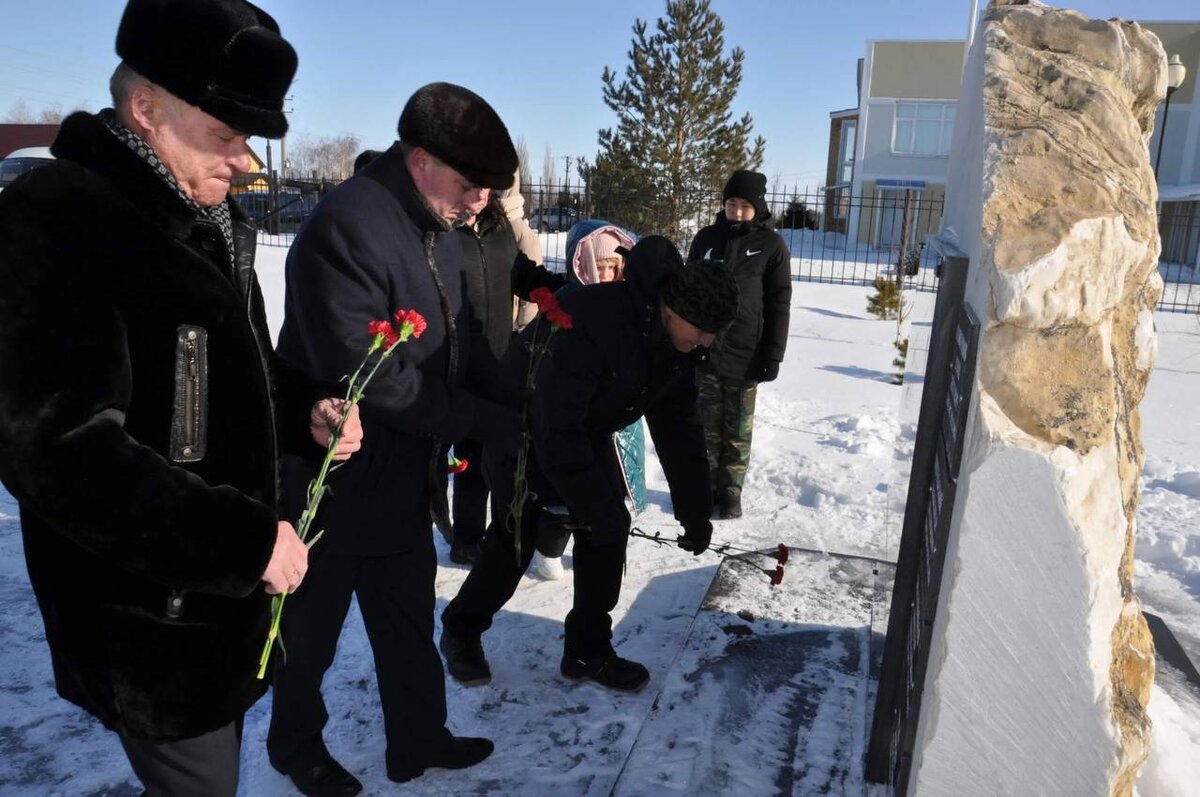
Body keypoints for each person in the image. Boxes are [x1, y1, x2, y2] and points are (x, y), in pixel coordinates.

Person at [0, 2, 364, 795]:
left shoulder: (210, 218)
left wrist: (305, 404)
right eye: (228, 137)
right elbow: (57, 447)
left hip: (219, 612)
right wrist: (237, 542)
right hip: (148, 630)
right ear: (146, 109)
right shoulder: (59, 219)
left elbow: (232, 374)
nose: (248, 165)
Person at [267, 82, 520, 794]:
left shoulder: (430, 221)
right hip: (334, 474)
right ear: (420, 161)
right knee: (309, 637)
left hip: (404, 471)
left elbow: (454, 342)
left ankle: (418, 738)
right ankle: (295, 746)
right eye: (471, 185)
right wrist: (474, 418)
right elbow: (370, 373)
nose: (480, 202)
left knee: (407, 617)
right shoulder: (348, 225)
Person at [440, 238, 738, 694]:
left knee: (607, 530)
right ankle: (461, 629)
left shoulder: (675, 347)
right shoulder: (599, 319)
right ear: (672, 309)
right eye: (703, 329)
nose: (708, 341)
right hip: (522, 427)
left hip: (583, 429)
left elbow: (680, 427)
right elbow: (554, 422)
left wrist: (694, 510)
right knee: (515, 539)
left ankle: (587, 650)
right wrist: (589, 500)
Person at [451, 177, 564, 566]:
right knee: (467, 460)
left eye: (488, 189)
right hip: (457, 365)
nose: (482, 196)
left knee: (501, 452)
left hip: (501, 359)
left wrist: (559, 289)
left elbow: (523, 273)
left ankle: (504, 532)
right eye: (473, 186)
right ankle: (466, 538)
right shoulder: (441, 231)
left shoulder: (498, 228)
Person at [527, 221, 642, 582]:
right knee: (567, 492)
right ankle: (549, 548)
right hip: (576, 419)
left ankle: (600, 546)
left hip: (617, 421)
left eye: (613, 268)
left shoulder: (629, 306)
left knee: (610, 488)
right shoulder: (568, 307)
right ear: (581, 266)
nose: (606, 275)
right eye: (599, 267)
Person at [686, 169, 792, 520]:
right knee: (706, 425)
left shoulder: (771, 246)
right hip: (706, 348)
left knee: (738, 429)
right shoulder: (706, 239)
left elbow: (779, 302)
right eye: (731, 204)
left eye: (745, 206)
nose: (737, 211)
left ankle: (731, 492)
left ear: (758, 207)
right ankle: (704, 488)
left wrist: (773, 354)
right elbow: (687, 291)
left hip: (748, 353)